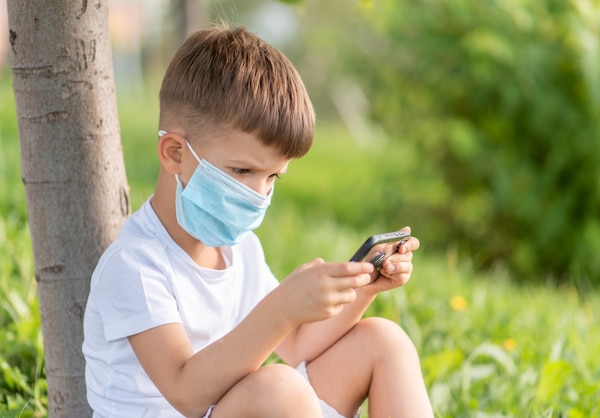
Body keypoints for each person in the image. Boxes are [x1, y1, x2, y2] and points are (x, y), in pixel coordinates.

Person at [82, 24, 433, 418]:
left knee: (383, 342)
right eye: (242, 171)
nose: (258, 193)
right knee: (280, 390)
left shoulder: (238, 249)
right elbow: (185, 391)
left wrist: (364, 285)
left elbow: (297, 343)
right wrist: (281, 308)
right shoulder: (136, 265)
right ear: (176, 153)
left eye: (272, 177)